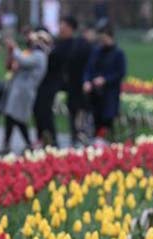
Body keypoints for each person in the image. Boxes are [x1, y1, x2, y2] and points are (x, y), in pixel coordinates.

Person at [0, 30, 50, 154]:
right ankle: (10, 144)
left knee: (18, 118)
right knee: (12, 117)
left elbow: (23, 61)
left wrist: (14, 48)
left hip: (24, 92)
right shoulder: (34, 53)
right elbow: (14, 64)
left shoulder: (39, 55)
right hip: (19, 90)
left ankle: (26, 144)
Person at [83, 23, 125, 145]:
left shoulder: (118, 53)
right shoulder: (97, 52)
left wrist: (105, 79)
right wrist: (87, 81)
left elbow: (120, 73)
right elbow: (89, 69)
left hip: (110, 92)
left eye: (104, 39)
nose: (102, 42)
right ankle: (97, 139)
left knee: (107, 117)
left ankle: (104, 139)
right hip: (96, 92)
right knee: (96, 116)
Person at [55, 16, 91, 146]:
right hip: (71, 84)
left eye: (63, 26)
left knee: (82, 110)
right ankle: (75, 136)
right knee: (73, 110)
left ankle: (81, 135)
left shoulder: (81, 44)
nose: (60, 28)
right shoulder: (60, 43)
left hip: (81, 84)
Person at [32, 26, 65, 147]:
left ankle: (52, 139)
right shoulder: (36, 50)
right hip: (39, 85)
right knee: (37, 111)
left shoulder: (55, 49)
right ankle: (41, 137)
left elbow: (54, 61)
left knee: (46, 112)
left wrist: (44, 48)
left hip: (50, 85)